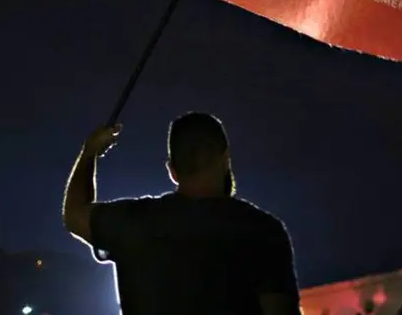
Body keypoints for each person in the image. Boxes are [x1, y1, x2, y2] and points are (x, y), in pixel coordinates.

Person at [62, 112, 301, 315]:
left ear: (172, 171)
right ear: (225, 158)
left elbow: (73, 215)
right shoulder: (264, 232)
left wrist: (89, 153)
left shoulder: (133, 222)